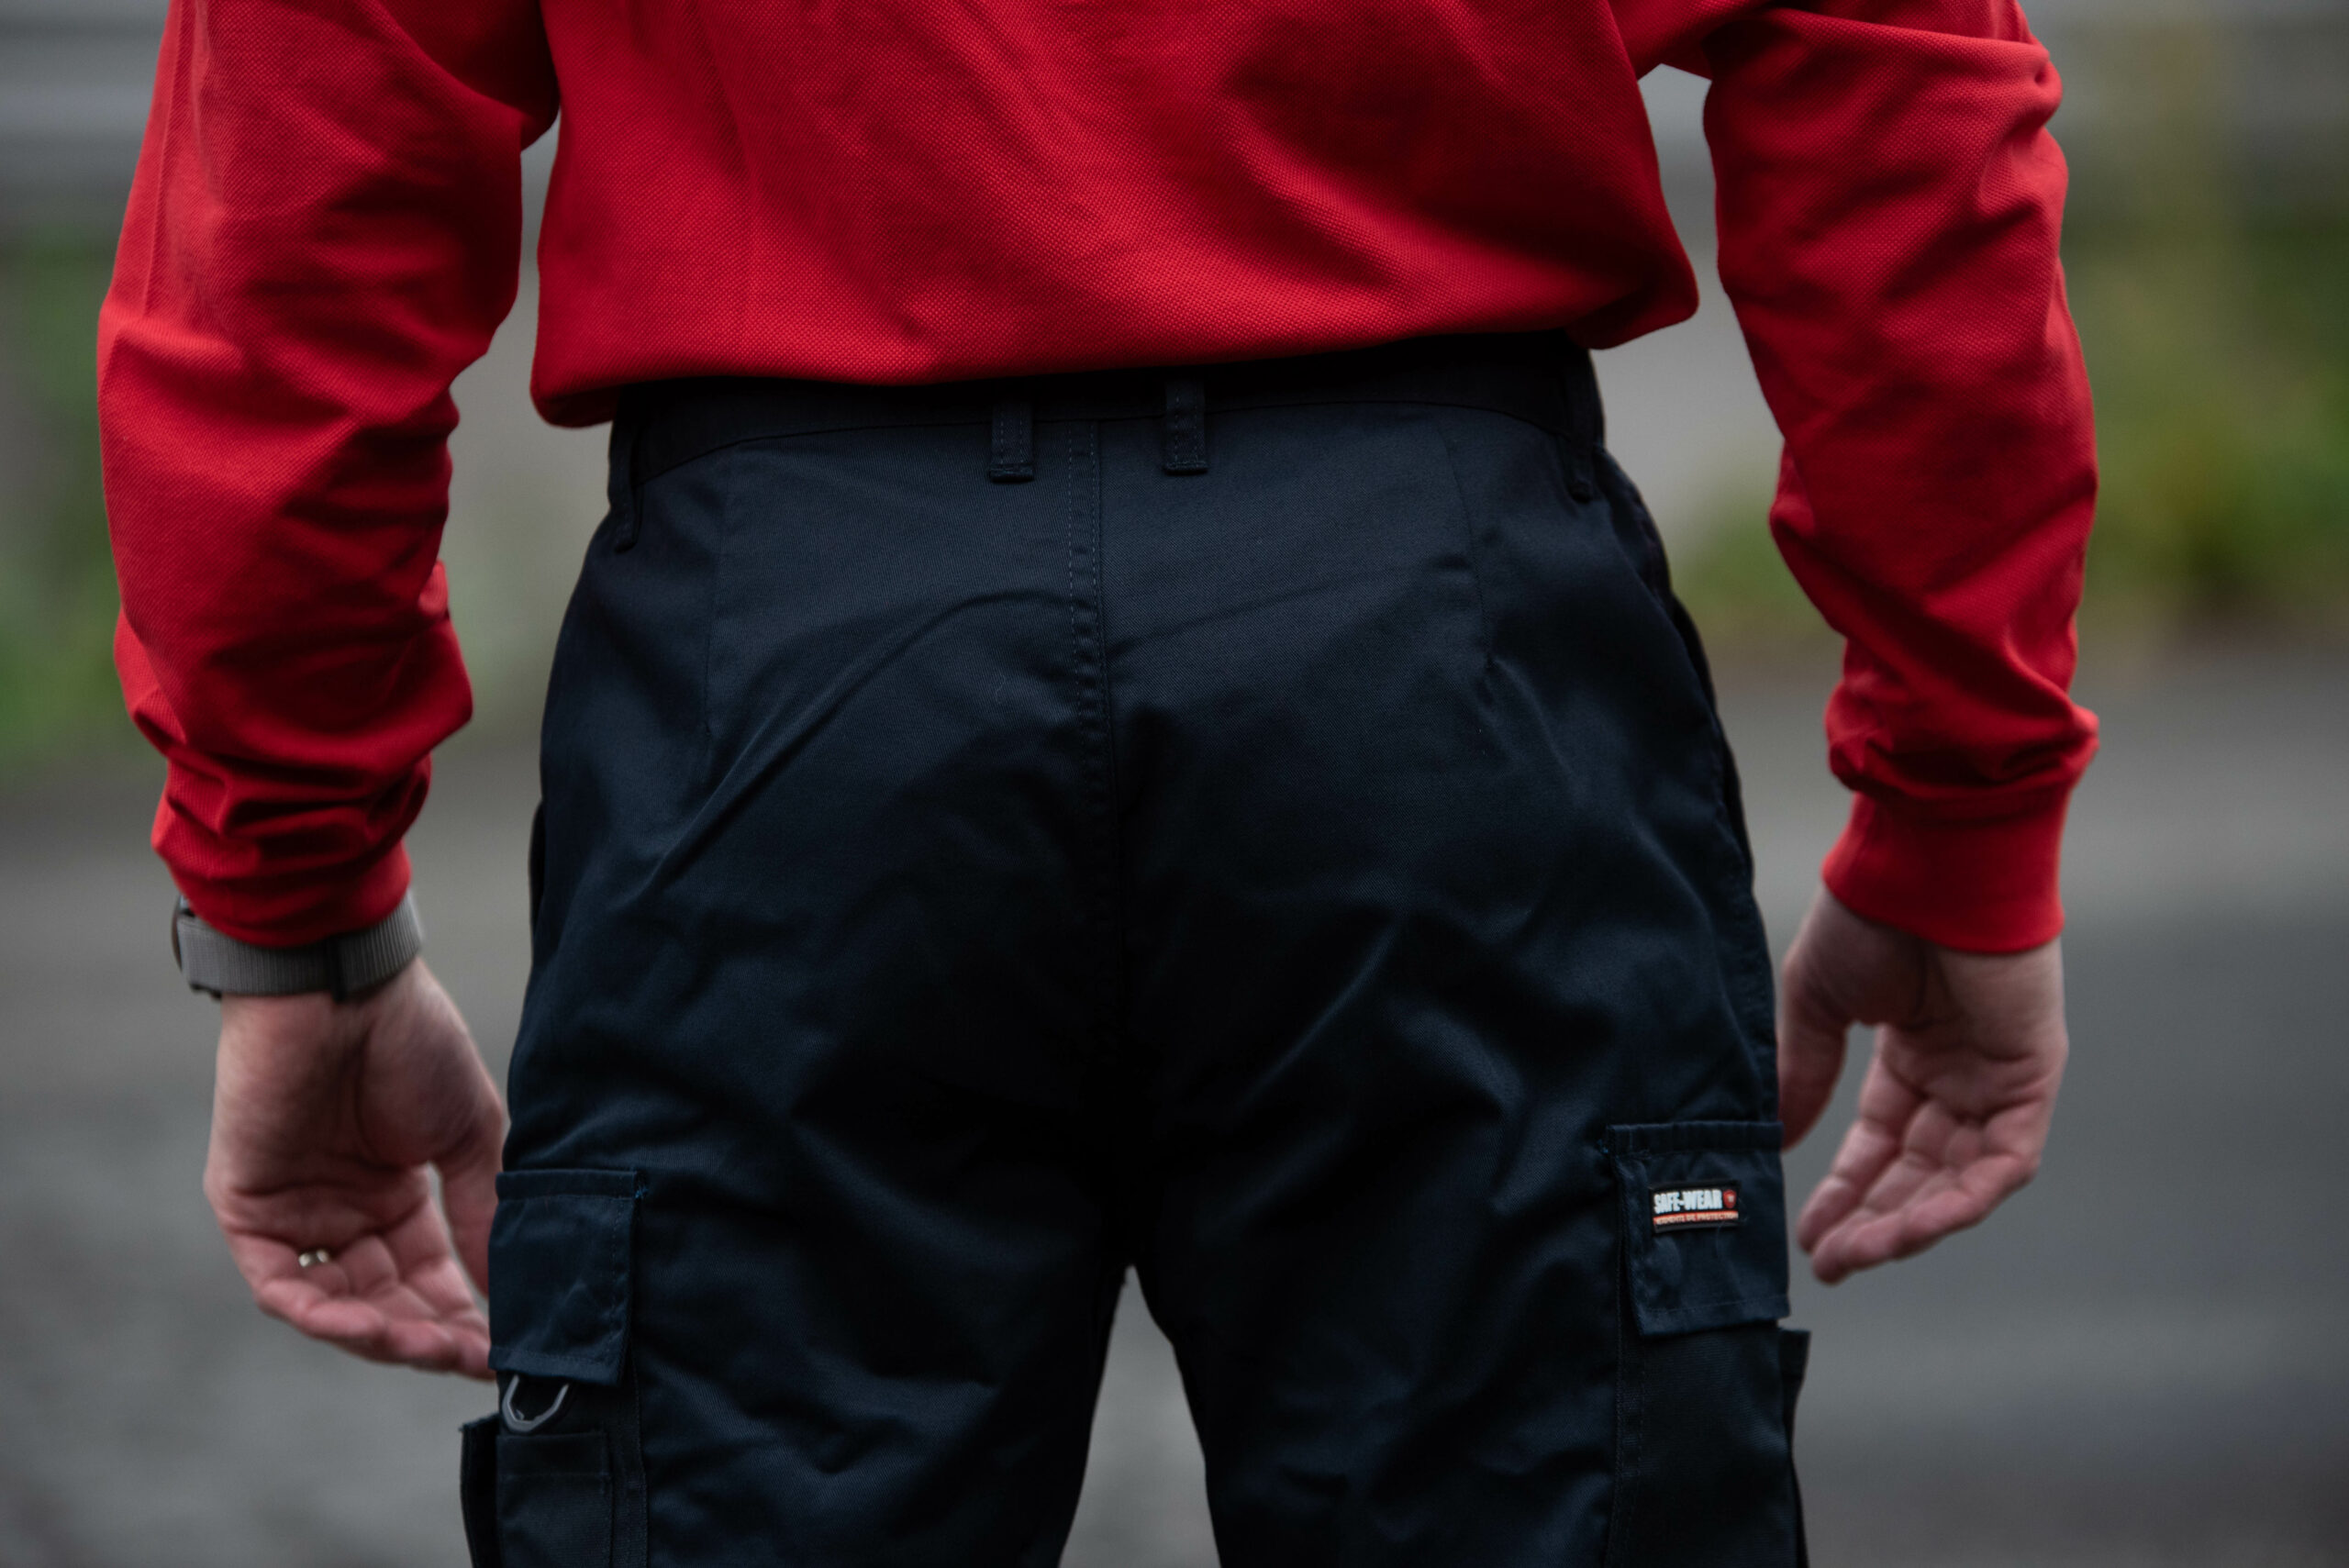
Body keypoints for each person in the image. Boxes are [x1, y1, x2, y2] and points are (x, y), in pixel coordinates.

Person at [99, 0, 2092, 1561]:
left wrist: (302, 915)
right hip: (1431, 659)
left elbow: (292, 191)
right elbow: (1894, 91)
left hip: (796, 692)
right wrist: (1957, 811)